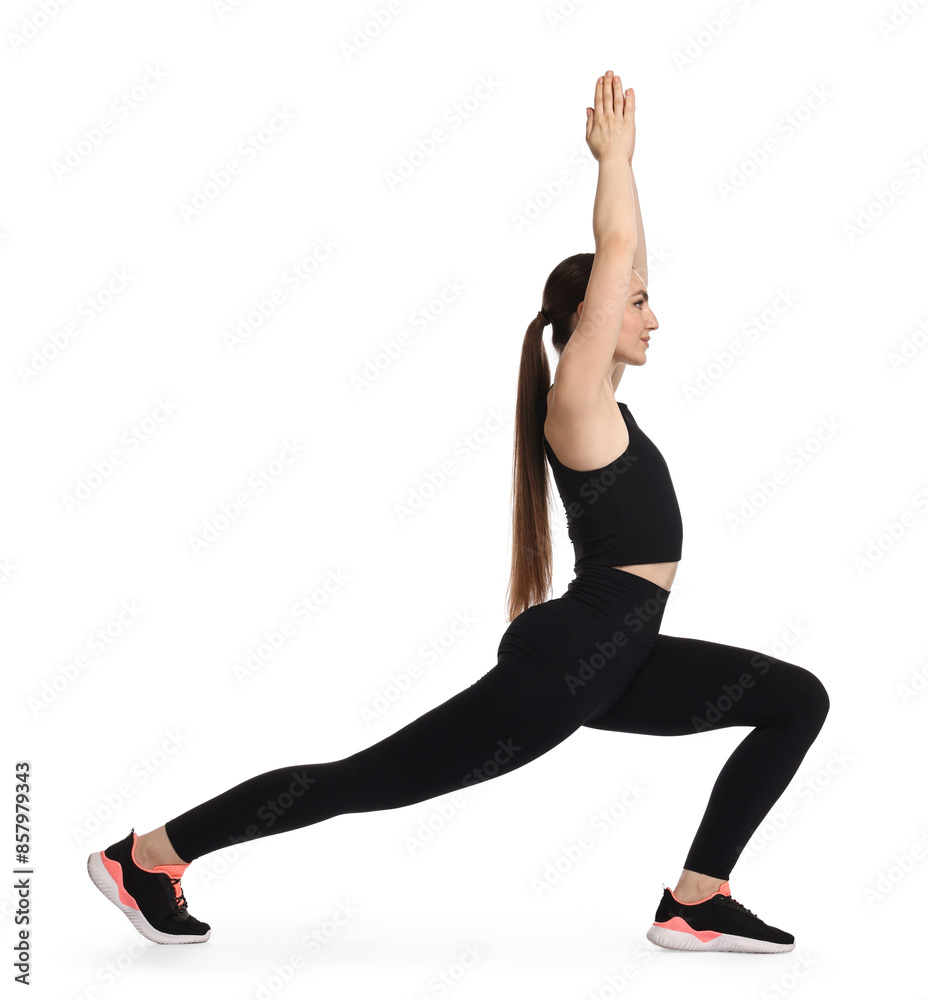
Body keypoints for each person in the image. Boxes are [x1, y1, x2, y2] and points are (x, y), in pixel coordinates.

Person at [87, 70, 829, 954]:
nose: (653, 316)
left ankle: (696, 899)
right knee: (357, 782)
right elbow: (618, 245)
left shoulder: (607, 400)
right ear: (588, 320)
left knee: (793, 699)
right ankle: (148, 856)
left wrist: (627, 226)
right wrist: (618, 159)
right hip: (566, 666)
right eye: (635, 302)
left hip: (614, 654)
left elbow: (630, 259)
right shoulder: (576, 401)